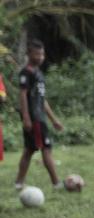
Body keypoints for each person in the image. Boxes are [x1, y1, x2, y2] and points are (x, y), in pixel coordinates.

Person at [14, 40, 64, 191]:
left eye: (42, 54)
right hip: (34, 118)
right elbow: (22, 95)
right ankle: (56, 183)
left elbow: (42, 100)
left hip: (40, 117)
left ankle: (18, 183)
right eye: (37, 54)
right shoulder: (26, 73)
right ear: (29, 54)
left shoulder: (39, 74)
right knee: (46, 148)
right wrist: (26, 117)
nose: (40, 57)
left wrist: (53, 119)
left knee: (29, 150)